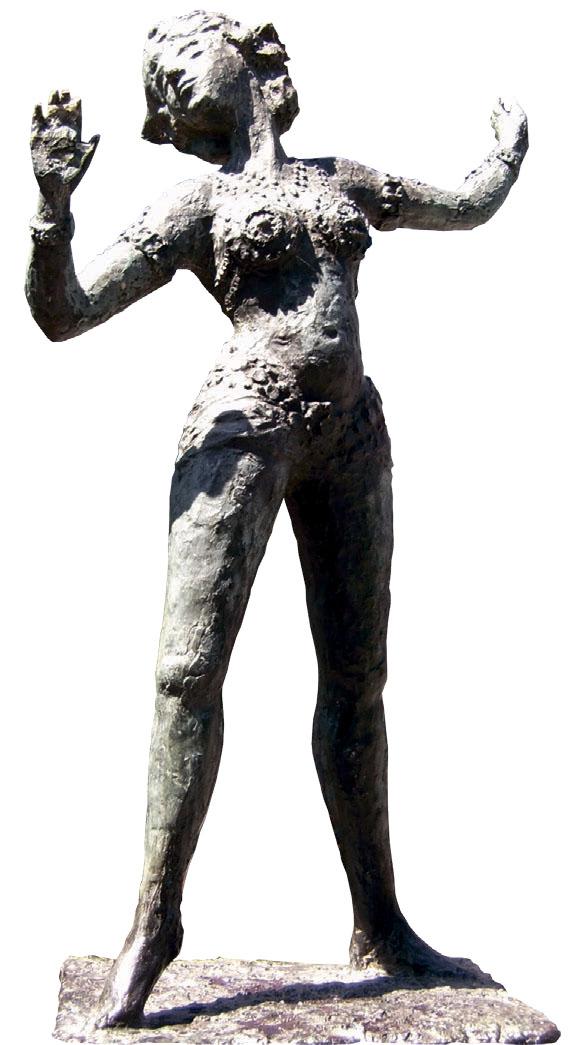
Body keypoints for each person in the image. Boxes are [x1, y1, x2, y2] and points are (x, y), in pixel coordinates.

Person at [26, 10, 528, 1029]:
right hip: (240, 427)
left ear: (246, 57)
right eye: (157, 79)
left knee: (358, 681)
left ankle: (378, 920)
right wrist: (52, 208)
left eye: (182, 55)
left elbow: (464, 205)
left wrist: (505, 153)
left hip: (351, 435)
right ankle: (153, 923)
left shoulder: (341, 178)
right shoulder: (193, 203)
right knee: (186, 674)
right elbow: (64, 312)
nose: (169, 82)